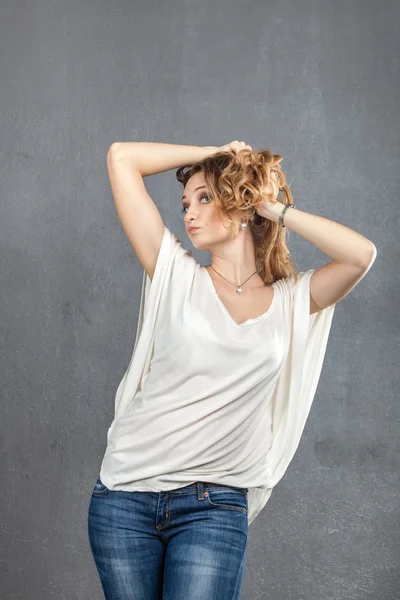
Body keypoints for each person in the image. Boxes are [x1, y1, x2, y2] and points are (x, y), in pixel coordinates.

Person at [87, 140, 377, 600]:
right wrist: (215, 151)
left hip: (213, 505)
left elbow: (361, 254)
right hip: (125, 498)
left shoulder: (290, 302)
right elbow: (121, 157)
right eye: (186, 203)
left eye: (205, 197)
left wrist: (272, 208)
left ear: (241, 207)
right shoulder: (175, 275)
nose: (189, 213)